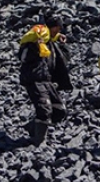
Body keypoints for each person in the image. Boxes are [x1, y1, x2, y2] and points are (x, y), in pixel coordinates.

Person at [18, 16, 72, 145]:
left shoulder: (51, 44)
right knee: (44, 108)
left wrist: (63, 45)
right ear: (51, 27)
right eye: (56, 28)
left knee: (59, 110)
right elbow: (22, 58)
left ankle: (33, 127)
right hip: (34, 79)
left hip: (47, 80)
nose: (58, 31)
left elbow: (65, 59)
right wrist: (36, 45)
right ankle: (38, 140)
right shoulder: (35, 42)